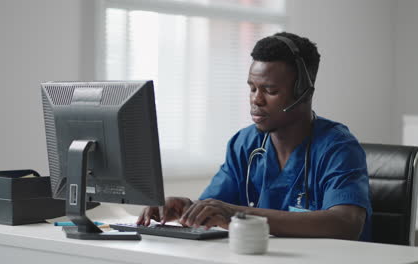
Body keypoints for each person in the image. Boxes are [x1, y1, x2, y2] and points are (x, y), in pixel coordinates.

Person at [137, 32, 372, 241]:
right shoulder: (244, 144)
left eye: (270, 91)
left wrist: (238, 215)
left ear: (303, 93)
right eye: (252, 88)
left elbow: (346, 223)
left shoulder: (338, 147)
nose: (256, 100)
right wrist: (188, 209)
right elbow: (217, 208)